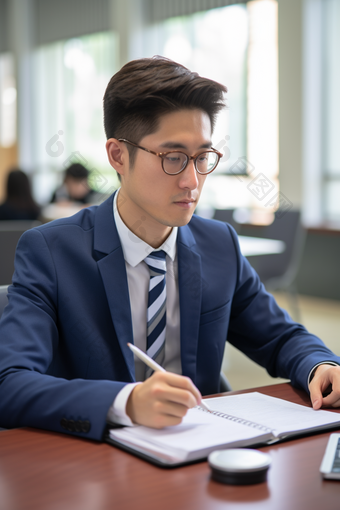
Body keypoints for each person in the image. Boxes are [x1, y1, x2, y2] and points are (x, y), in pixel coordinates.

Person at [0, 57, 339, 439]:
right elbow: (9, 383)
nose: (192, 181)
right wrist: (125, 402)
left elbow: (279, 337)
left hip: (201, 457)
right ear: (118, 156)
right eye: (174, 158)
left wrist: (320, 365)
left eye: (202, 158)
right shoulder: (51, 251)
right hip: (94, 470)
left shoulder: (219, 244)